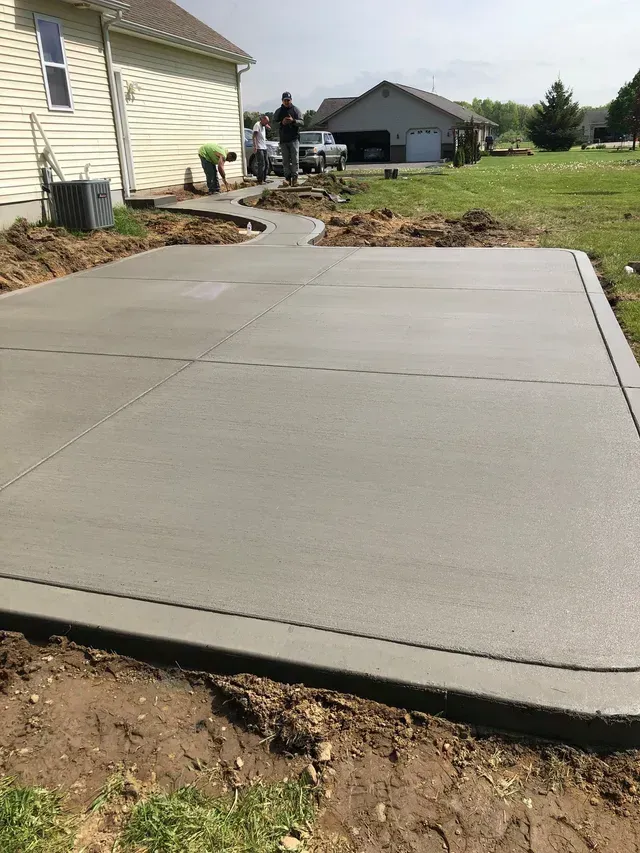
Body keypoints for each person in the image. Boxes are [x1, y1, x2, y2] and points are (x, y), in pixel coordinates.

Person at [273, 91, 303, 186]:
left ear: (291, 100)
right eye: (285, 100)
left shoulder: (296, 110)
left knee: (295, 160)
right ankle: (287, 179)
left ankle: (295, 179)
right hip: (283, 140)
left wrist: (293, 121)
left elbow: (302, 122)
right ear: (282, 101)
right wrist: (281, 123)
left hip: (294, 139)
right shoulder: (278, 111)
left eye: (288, 100)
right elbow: (272, 124)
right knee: (285, 161)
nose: (287, 102)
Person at [252, 115, 271, 184]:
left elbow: (266, 126)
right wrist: (255, 146)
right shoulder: (257, 125)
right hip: (259, 147)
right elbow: (254, 136)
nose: (267, 123)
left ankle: (264, 178)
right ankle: (260, 180)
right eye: (266, 122)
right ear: (262, 119)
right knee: (261, 163)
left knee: (267, 163)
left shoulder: (263, 125)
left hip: (264, 147)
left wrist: (266, 125)